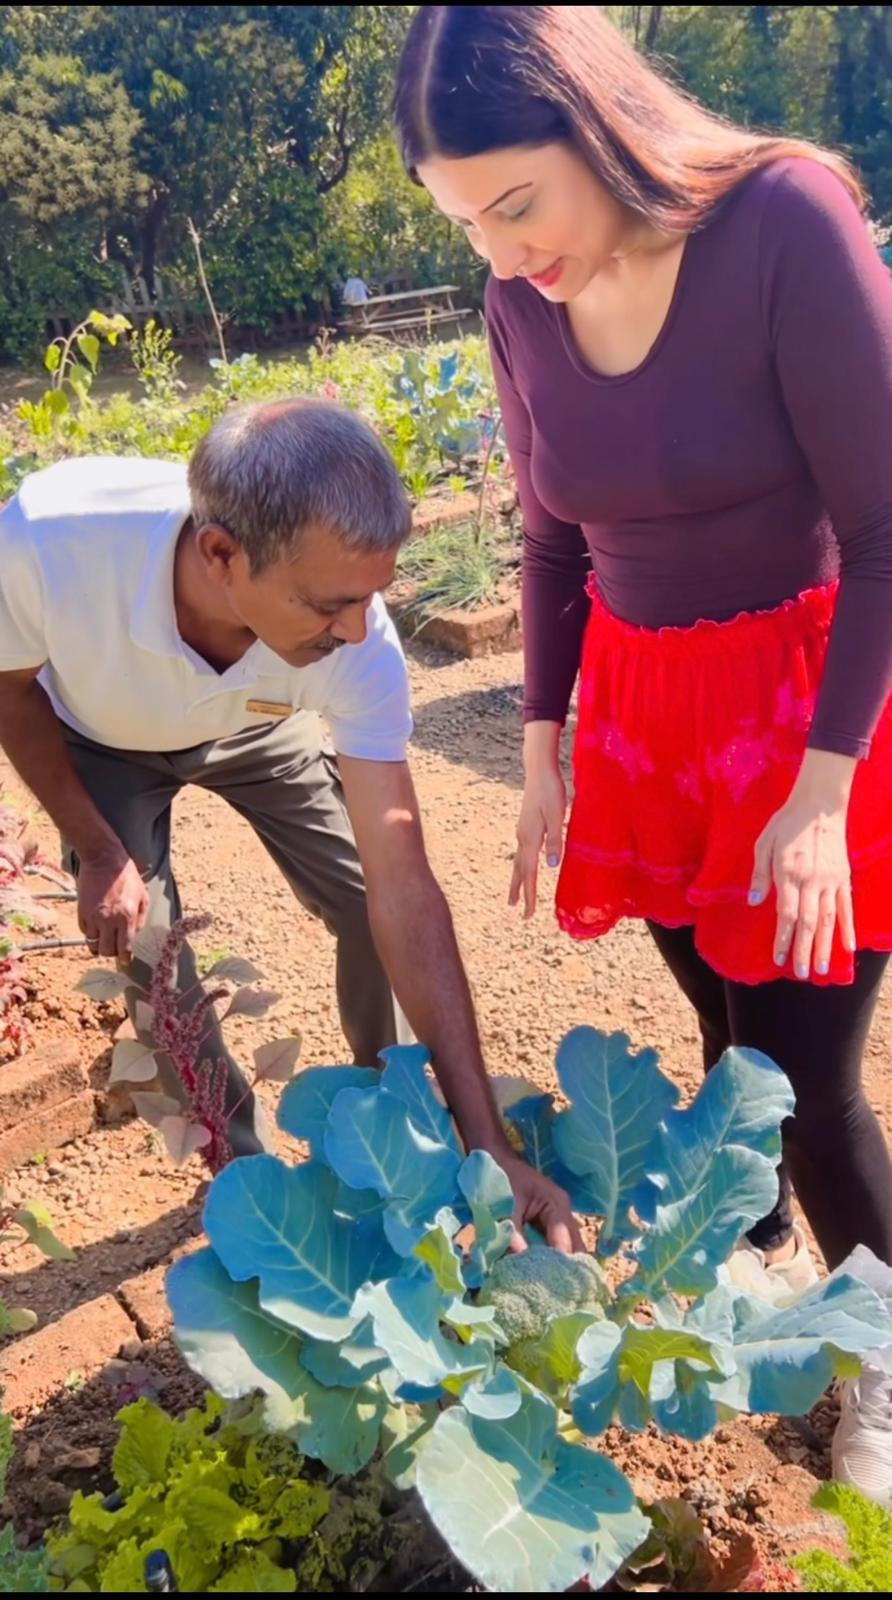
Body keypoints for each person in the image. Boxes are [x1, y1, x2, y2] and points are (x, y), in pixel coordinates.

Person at [395, 5, 892, 1502]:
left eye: (516, 202)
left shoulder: (784, 222)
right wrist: (544, 743)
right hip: (642, 718)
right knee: (719, 1014)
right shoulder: (522, 299)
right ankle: (756, 1241)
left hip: (809, 713)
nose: (496, 250)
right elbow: (551, 535)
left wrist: (821, 795)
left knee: (804, 1059)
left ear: (595, 121)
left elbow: (886, 533)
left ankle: (880, 1347)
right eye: (463, 218)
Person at [0, 397, 579, 1249]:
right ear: (222, 555)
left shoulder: (353, 639)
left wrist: (486, 1145)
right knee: (150, 959)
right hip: (104, 737)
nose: (358, 630)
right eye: (328, 605)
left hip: (255, 724)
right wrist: (96, 848)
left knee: (360, 901)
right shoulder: (49, 542)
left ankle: (385, 1100)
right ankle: (246, 1183)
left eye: (370, 599)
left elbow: (404, 887)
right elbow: (8, 688)